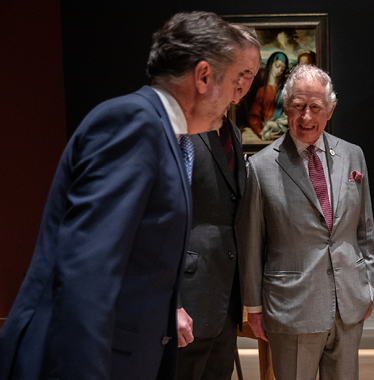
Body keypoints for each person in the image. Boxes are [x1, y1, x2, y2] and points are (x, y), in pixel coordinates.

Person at [0, 11, 253, 380]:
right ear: (202, 77)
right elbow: (88, 271)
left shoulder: (164, 132)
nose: (235, 94)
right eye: (232, 80)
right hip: (84, 361)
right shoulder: (134, 122)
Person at [241, 64, 374, 380]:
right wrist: (254, 308)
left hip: (349, 302)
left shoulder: (353, 155)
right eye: (298, 107)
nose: (306, 118)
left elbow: (366, 228)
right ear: (286, 108)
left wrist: (368, 285)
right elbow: (252, 242)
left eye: (315, 107)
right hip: (292, 307)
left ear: (329, 110)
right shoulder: (260, 168)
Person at [175, 25, 260, 380]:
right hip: (188, 304)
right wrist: (172, 302)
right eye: (239, 71)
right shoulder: (181, 125)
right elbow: (160, 220)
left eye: (251, 75)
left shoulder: (233, 132)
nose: (243, 82)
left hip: (223, 302)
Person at [248, 51, 289, 140]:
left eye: (282, 69)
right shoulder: (262, 91)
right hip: (265, 133)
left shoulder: (284, 92)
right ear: (270, 65)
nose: (279, 71)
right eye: (277, 66)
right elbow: (254, 117)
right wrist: (263, 133)